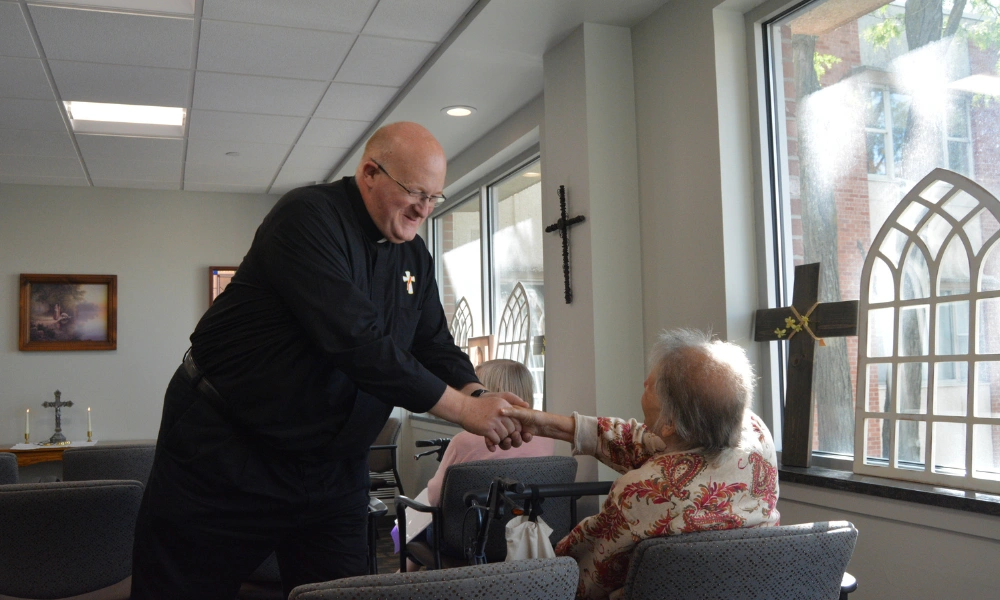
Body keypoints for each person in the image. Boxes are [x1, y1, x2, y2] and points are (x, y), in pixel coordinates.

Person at [131, 122, 528, 600]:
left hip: (331, 469)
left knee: (342, 592)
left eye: (435, 197)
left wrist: (478, 393)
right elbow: (359, 342)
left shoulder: (416, 257)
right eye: (415, 193)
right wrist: (465, 414)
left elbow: (434, 344)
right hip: (225, 448)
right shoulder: (307, 218)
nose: (424, 208)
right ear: (370, 173)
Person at [503, 328, 780, 600]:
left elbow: (578, 575)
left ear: (670, 424)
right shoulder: (756, 433)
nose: (646, 381)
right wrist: (541, 423)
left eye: (654, 385)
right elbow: (642, 441)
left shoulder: (641, 493)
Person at [400, 359, 555, 570]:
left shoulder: (464, 441)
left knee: (418, 529)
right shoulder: (547, 441)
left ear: (489, 394)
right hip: (528, 535)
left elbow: (435, 497)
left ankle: (402, 580)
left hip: (466, 540)